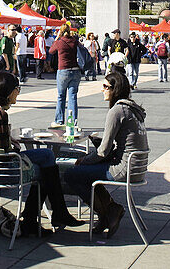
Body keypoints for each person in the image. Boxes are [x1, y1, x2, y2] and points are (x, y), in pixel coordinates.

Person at [0, 72, 83, 235]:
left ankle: (49, 215)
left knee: (47, 157)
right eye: (17, 89)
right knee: (46, 170)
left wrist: (11, 143)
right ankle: (44, 216)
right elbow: (5, 152)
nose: (18, 93)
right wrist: (14, 146)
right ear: (8, 92)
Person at [62, 70, 148, 237]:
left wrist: (84, 160)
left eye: (105, 86)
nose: (102, 89)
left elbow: (103, 151)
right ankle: (107, 213)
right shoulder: (132, 109)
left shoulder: (117, 111)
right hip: (137, 166)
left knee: (73, 174)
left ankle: (108, 212)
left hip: (124, 168)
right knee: (89, 175)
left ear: (114, 89)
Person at [49, 26, 82, 128]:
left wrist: (57, 37)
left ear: (61, 32)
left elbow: (51, 51)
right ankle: (73, 122)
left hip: (63, 70)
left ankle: (59, 120)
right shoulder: (75, 41)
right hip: (75, 70)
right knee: (73, 97)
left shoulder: (60, 42)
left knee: (61, 96)